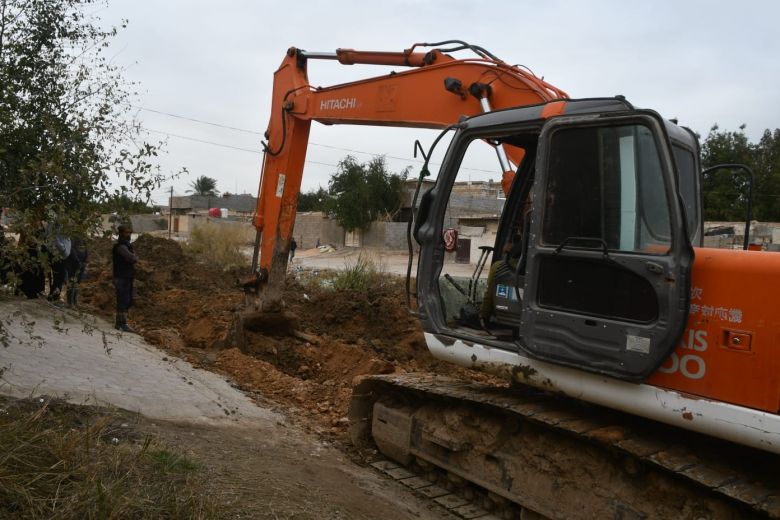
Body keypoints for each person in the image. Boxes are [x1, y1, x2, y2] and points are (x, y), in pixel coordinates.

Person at [112, 224, 138, 332]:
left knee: (126, 300)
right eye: (127, 233)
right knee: (123, 300)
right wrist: (134, 257)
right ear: (121, 233)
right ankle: (121, 324)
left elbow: (132, 257)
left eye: (130, 233)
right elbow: (132, 258)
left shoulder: (126, 246)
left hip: (126, 276)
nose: (129, 235)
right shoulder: (121, 247)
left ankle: (121, 323)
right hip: (121, 277)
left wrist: (133, 257)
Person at [65, 236, 88, 308]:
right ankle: (69, 302)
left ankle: (74, 301)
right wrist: (77, 260)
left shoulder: (83, 237)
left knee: (78, 282)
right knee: (72, 282)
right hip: (73, 263)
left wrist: (85, 259)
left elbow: (86, 249)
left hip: (82, 263)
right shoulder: (73, 236)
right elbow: (71, 249)